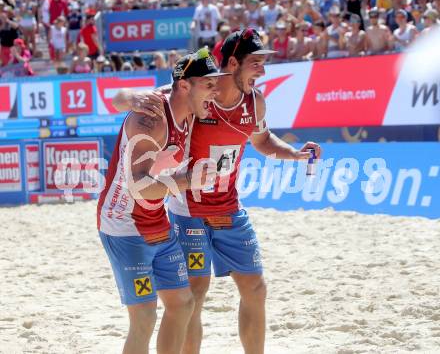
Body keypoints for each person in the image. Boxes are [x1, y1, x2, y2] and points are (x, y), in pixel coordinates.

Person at [115, 28, 321, 354]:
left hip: (228, 208)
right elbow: (134, 100)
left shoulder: (255, 102)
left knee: (255, 288)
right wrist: (127, 97)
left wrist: (294, 154)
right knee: (195, 293)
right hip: (188, 209)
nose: (263, 71)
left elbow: (263, 141)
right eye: (255, 63)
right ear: (234, 63)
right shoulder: (199, 93)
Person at [98, 49, 226, 354]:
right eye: (209, 85)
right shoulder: (152, 118)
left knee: (182, 304)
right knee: (143, 318)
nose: (216, 92)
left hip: (157, 220)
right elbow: (140, 187)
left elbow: (121, 98)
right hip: (123, 224)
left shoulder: (189, 105)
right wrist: (187, 180)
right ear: (185, 86)